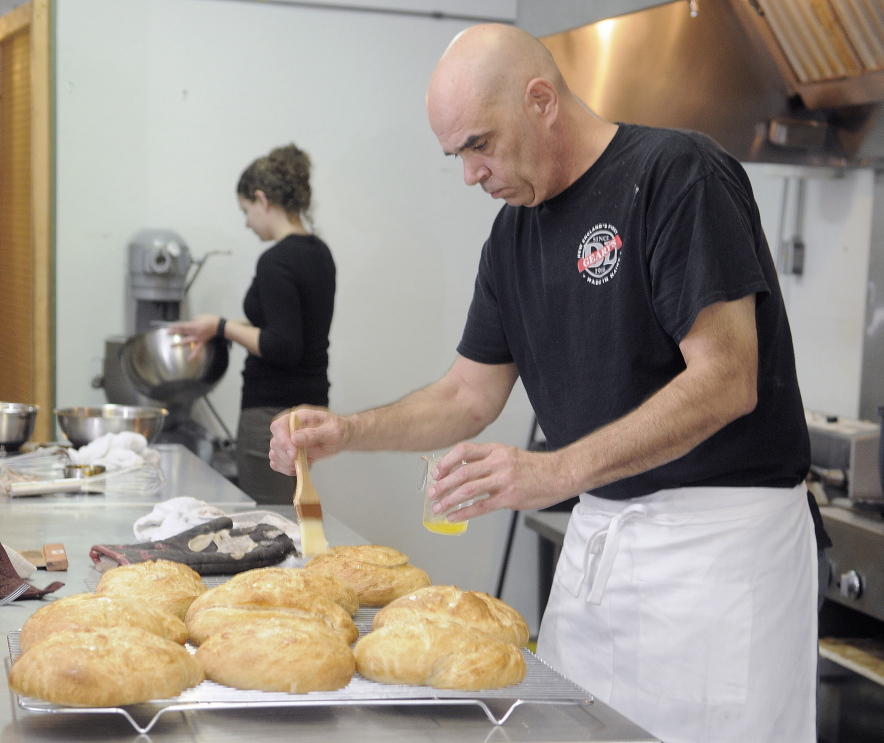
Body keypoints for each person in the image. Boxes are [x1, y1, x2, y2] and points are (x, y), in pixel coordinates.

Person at [269, 24, 828, 742]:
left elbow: (726, 379)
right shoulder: (513, 236)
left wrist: (553, 471)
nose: (471, 173)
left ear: (540, 100)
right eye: (457, 155)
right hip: (601, 543)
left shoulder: (674, 173)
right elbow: (467, 395)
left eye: (479, 143)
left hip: (714, 553)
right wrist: (347, 430)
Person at [171, 144, 335, 505]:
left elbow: (282, 345)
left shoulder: (276, 261)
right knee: (289, 513)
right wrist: (219, 328)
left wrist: (222, 325)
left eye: (246, 210)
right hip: (311, 409)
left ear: (262, 200)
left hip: (271, 416)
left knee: (272, 524)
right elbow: (290, 328)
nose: (246, 222)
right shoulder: (320, 254)